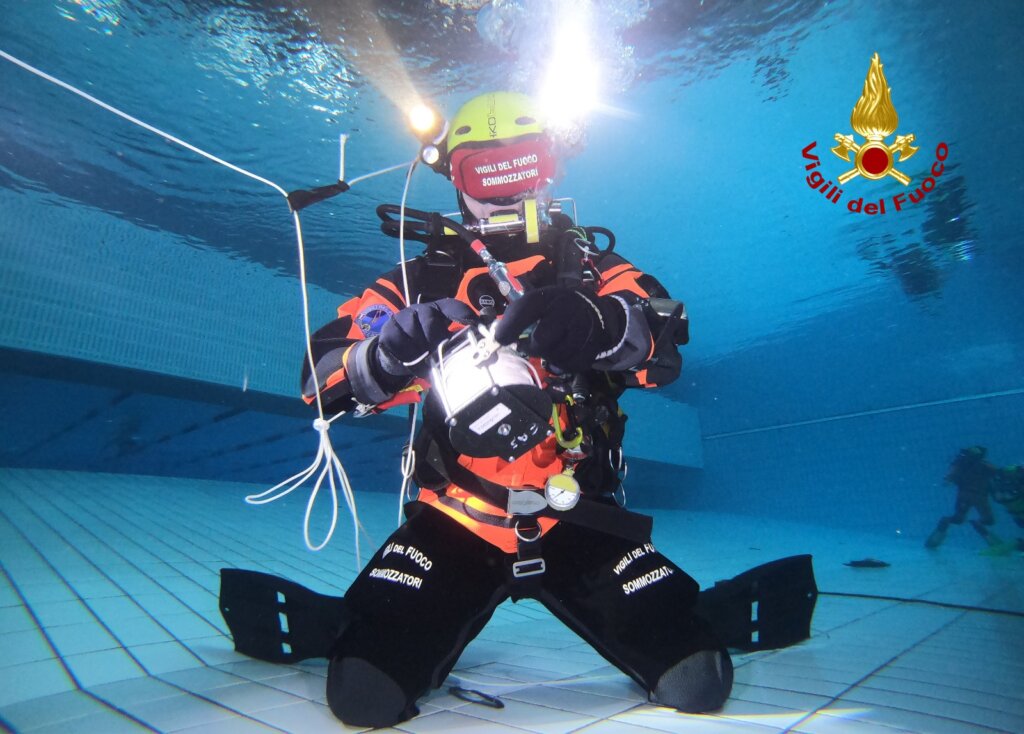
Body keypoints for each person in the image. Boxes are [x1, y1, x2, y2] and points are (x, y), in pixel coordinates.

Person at [295, 91, 733, 727]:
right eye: (485, 174)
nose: (504, 194)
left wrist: (603, 324)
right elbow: (319, 379)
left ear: (549, 170)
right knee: (364, 694)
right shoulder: (415, 282)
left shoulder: (593, 268)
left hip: (577, 514)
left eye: (521, 167)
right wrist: (386, 354)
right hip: (457, 518)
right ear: (456, 180)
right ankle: (368, 620)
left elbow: (662, 343)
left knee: (698, 681)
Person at [925, 446, 999, 549]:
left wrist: (949, 479)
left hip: (965, 496)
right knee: (988, 520)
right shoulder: (984, 466)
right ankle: (983, 531)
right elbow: (997, 475)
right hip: (979, 497)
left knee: (958, 519)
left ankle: (936, 538)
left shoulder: (962, 464)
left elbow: (950, 477)